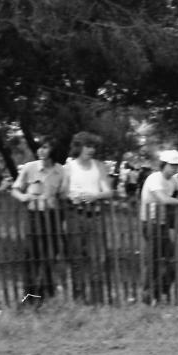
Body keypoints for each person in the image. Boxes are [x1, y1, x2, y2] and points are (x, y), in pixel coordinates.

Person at [11, 139, 67, 306]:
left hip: (52, 216)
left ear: (54, 150)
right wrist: (23, 197)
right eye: (40, 147)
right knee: (31, 255)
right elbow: (15, 189)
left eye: (45, 146)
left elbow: (63, 195)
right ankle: (28, 296)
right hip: (34, 215)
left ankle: (46, 293)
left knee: (50, 255)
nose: (41, 150)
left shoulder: (61, 171)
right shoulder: (29, 168)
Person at [139, 149, 178, 304]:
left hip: (162, 224)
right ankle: (147, 296)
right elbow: (163, 199)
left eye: (177, 166)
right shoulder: (154, 179)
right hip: (150, 223)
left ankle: (159, 292)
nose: (175, 169)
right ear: (163, 164)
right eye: (172, 165)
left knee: (171, 260)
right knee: (153, 261)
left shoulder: (173, 180)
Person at [63, 131, 114, 304]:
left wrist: (95, 196)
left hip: (95, 215)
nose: (91, 150)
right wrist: (72, 195)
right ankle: (79, 300)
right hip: (75, 215)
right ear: (79, 147)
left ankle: (97, 301)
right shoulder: (69, 167)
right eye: (88, 146)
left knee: (97, 258)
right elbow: (62, 192)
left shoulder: (99, 166)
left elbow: (108, 191)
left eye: (93, 147)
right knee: (76, 259)